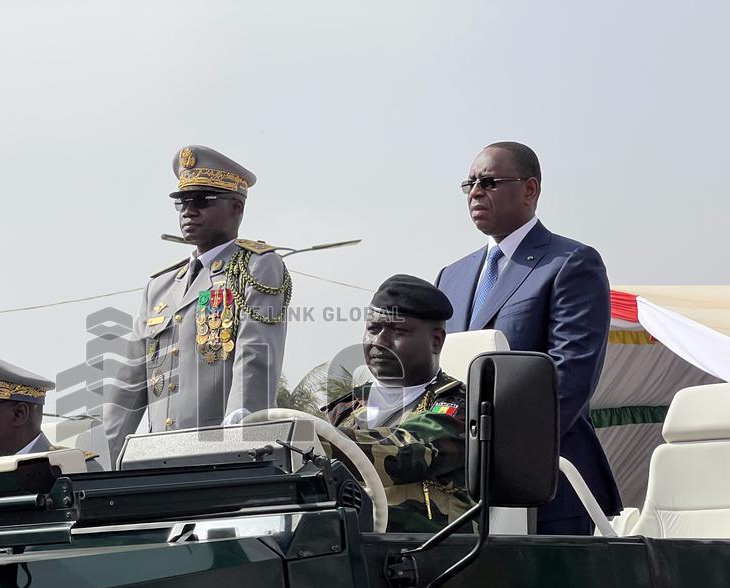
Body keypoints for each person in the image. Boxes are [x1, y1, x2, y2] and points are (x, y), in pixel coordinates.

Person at [435, 141, 622, 534]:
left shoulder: (569, 263)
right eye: (468, 183)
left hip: (546, 484)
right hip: (459, 489)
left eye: (488, 181)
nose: (475, 192)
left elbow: (570, 377)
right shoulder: (450, 277)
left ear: (530, 189)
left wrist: (498, 453)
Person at [102, 145, 291, 463]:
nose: (189, 211)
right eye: (183, 203)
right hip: (156, 456)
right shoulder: (160, 287)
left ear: (236, 207)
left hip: (218, 454)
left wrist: (241, 434)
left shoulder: (256, 266)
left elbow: (255, 354)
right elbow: (130, 380)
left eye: (202, 201)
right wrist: (102, 461)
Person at [322, 275, 473, 532]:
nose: (379, 342)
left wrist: (309, 439)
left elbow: (404, 452)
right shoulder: (345, 408)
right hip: (348, 548)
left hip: (431, 554)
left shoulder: (459, 406)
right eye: (373, 329)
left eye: (399, 331)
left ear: (436, 341)